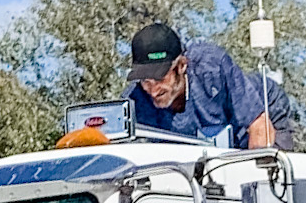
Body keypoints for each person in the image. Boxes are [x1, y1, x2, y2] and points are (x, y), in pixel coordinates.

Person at [126, 22, 295, 151]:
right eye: (146, 81)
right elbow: (108, 137)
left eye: (161, 78)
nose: (153, 91)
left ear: (182, 66)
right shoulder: (135, 100)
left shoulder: (213, 67)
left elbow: (259, 127)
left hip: (263, 115)